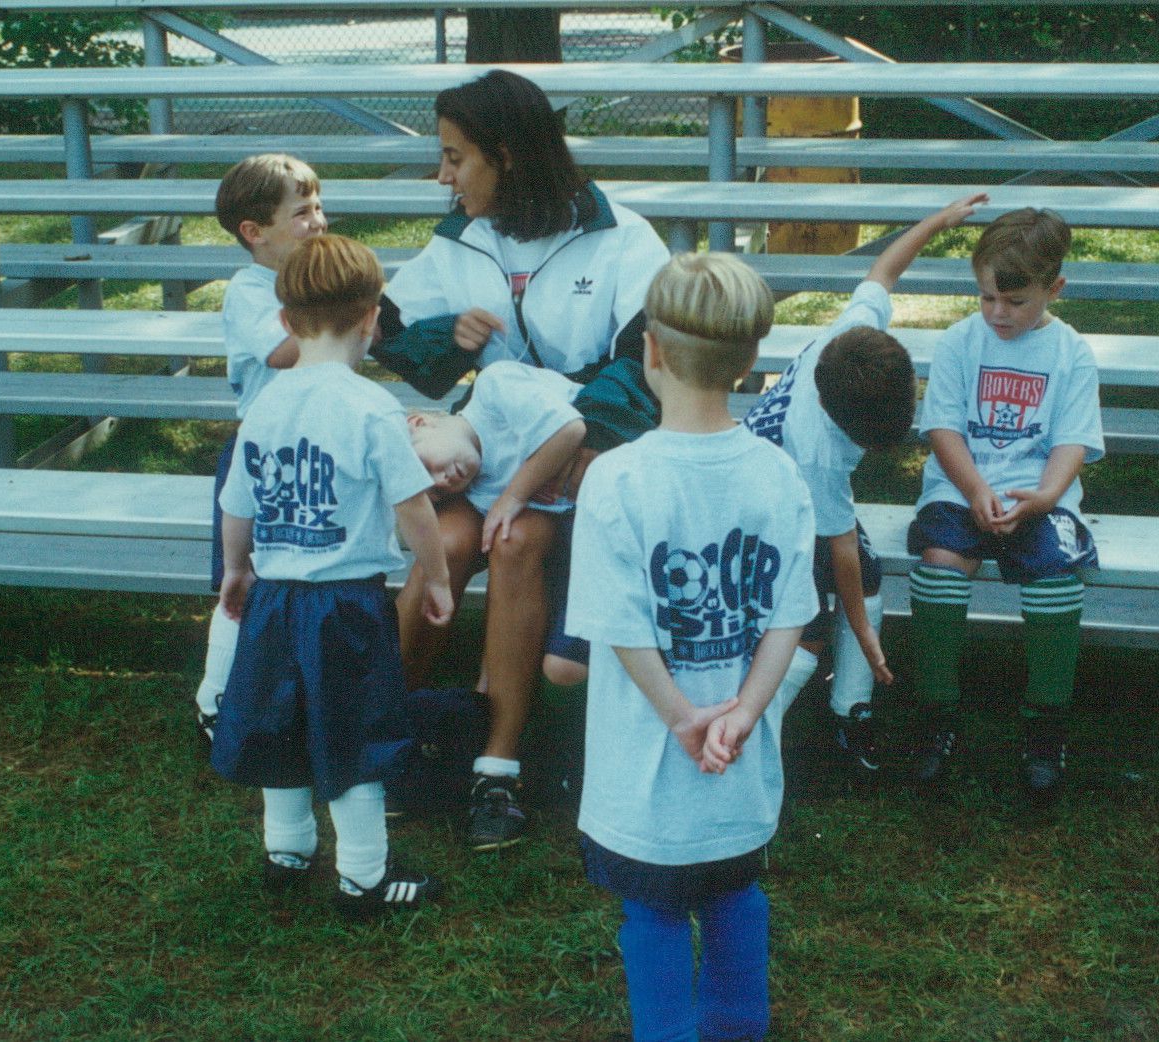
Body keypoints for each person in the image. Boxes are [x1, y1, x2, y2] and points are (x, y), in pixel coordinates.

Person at [374, 68, 670, 851]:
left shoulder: (621, 236)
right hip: (490, 447)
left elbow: (647, 356)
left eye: (455, 157)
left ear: (505, 155)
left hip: (584, 460)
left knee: (516, 539)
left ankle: (495, 770)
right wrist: (448, 336)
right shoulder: (461, 237)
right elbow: (388, 329)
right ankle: (378, 739)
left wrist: (585, 435)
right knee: (446, 541)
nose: (443, 176)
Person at [567, 253, 818, 1042]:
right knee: (736, 898)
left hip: (648, 771)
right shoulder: (780, 475)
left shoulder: (615, 478)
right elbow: (788, 620)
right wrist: (744, 712)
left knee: (654, 915)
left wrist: (682, 718)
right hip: (737, 767)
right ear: (749, 361)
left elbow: (622, 628)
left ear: (650, 351)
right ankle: (740, 1028)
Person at [212, 235, 454, 918]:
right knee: (356, 734)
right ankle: (364, 878)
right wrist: (436, 578)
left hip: (274, 599)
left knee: (277, 723)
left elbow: (237, 503)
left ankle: (287, 850)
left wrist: (236, 569)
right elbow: (413, 505)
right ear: (371, 319)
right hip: (345, 605)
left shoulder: (266, 405)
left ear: (285, 320)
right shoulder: (370, 407)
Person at [742, 193, 989, 774]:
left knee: (867, 582)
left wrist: (937, 220)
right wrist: (864, 633)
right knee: (807, 623)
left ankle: (849, 712)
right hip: (761, 505)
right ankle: (746, 733)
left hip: (787, 489)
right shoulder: (820, 453)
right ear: (846, 427)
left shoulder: (855, 338)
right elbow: (842, 550)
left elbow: (883, 270)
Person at [906, 207, 1103, 805]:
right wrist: (973, 491)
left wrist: (1046, 497)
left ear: (1054, 289)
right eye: (988, 296)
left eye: (1015, 302)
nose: (998, 313)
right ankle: (936, 717)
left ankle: (1045, 726)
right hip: (960, 488)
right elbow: (942, 429)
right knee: (941, 565)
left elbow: (1072, 442)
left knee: (1055, 577)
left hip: (1038, 495)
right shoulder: (960, 341)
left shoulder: (1071, 353)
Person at [194, 154, 328, 745]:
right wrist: (343, 306)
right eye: (302, 212)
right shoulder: (250, 290)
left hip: (317, 451)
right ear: (254, 232)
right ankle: (216, 698)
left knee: (302, 578)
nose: (318, 221)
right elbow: (282, 352)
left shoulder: (310, 284)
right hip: (262, 456)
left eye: (319, 207)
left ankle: (288, 695)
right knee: (244, 580)